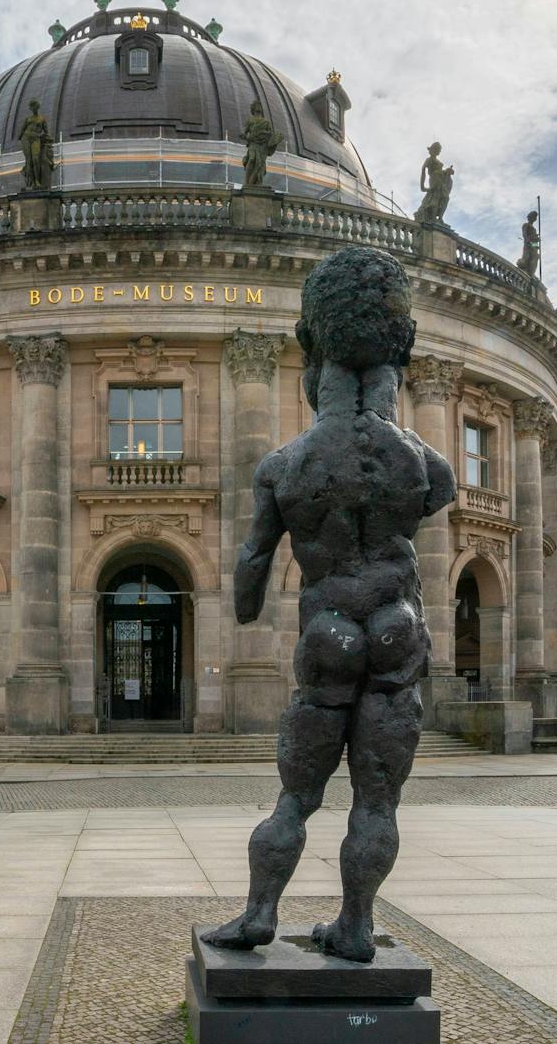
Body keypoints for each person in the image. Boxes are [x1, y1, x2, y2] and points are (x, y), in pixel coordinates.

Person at [201, 246, 457, 963]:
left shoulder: (286, 464)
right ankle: (353, 924)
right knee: (377, 802)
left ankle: (258, 913)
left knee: (295, 799)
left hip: (328, 630)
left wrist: (253, 592)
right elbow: (437, 497)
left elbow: (250, 580)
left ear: (314, 369)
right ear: (391, 375)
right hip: (397, 628)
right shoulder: (424, 464)